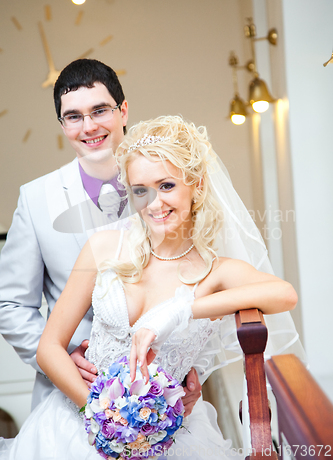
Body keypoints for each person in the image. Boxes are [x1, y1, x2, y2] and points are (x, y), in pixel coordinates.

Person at [0, 116, 298, 459]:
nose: (154, 204)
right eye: (141, 190)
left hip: (173, 440)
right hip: (76, 429)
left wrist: (182, 309)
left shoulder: (217, 271)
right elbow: (49, 347)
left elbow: (284, 294)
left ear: (197, 186)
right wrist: (103, 421)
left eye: (167, 185)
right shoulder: (103, 248)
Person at [0, 60, 201, 414]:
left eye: (99, 110)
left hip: (163, 395)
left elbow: (195, 283)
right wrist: (62, 358)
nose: (88, 127)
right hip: (66, 398)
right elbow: (12, 305)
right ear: (62, 125)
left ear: (123, 111)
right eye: (73, 116)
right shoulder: (35, 199)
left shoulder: (168, 189)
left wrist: (187, 367)